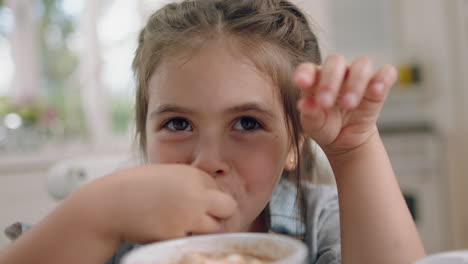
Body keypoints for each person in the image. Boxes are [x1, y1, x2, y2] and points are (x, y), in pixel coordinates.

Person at [0, 0, 426, 263]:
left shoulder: (322, 222)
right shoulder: (109, 228)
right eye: (178, 124)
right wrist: (98, 216)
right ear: (145, 132)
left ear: (294, 143)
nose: (206, 162)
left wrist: (354, 152)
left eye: (247, 123)